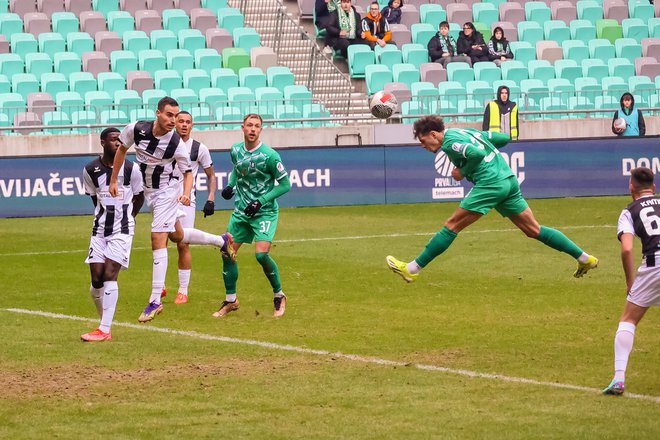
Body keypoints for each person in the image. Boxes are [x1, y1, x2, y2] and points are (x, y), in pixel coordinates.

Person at [386, 115, 599, 283]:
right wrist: (484, 141)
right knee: (533, 229)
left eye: (423, 141)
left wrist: (462, 170)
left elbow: (476, 155)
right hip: (507, 179)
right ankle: (584, 258)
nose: (423, 145)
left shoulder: (450, 142)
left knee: (452, 225)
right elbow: (503, 138)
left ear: (433, 134)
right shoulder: (466, 132)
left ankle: (412, 269)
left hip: (490, 183)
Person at [108, 96, 235, 323]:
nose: (173, 120)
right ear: (158, 113)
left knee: (158, 238)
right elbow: (121, 150)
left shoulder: (176, 143)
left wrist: (186, 193)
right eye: (169, 115)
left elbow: (188, 172)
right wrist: (114, 179)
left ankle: (155, 300)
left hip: (168, 191)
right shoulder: (136, 129)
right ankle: (221, 241)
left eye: (176, 116)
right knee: (178, 236)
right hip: (150, 191)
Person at [216, 114, 292, 318]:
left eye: (257, 126)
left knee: (261, 255)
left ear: (261, 130)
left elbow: (285, 185)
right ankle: (231, 300)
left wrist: (261, 201)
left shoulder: (270, 156)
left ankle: (279, 295)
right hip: (241, 212)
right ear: (243, 127)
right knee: (227, 252)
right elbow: (236, 170)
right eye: (249, 125)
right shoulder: (235, 150)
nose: (253, 129)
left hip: (264, 212)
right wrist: (230, 186)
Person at [80, 128, 144, 342]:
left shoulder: (131, 168)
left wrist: (130, 217)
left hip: (122, 230)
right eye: (113, 140)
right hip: (99, 230)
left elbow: (139, 196)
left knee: (109, 274)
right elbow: (93, 199)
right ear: (102, 142)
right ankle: (104, 322)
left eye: (120, 140)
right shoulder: (90, 170)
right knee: (96, 280)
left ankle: (104, 329)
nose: (118, 143)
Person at [602, 167, 659, 396]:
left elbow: (627, 249)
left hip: (654, 265)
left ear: (631, 187)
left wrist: (630, 282)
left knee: (628, 320)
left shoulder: (629, 211)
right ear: (653, 188)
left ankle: (618, 379)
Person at [163, 110, 217, 305]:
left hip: (187, 200)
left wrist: (211, 198)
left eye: (188, 122)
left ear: (192, 125)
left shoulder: (199, 148)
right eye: (181, 121)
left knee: (182, 243)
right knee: (160, 240)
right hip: (164, 199)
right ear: (175, 123)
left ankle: (182, 290)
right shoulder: (164, 143)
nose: (184, 125)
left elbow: (211, 174)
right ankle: (159, 286)